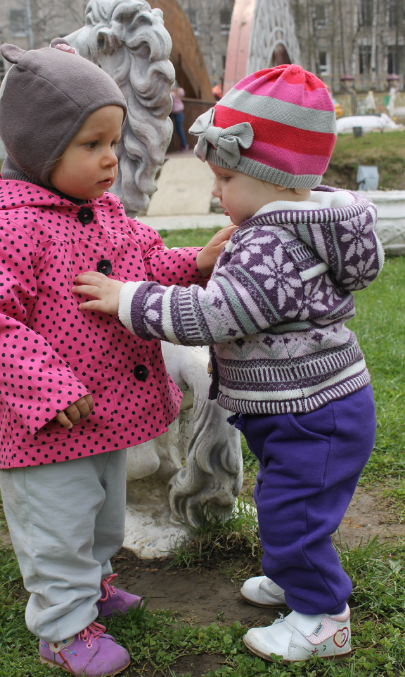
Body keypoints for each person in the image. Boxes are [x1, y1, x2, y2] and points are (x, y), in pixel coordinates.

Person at [73, 64, 384, 665]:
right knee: (286, 504)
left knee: (294, 514)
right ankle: (295, 580)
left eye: (226, 177)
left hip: (312, 414)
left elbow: (214, 315)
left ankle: (323, 618)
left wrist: (128, 298)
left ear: (274, 179)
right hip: (309, 407)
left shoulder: (273, 244)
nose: (217, 193)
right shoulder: (294, 226)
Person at [0, 40, 234, 676]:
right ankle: (62, 625)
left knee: (102, 514)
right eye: (92, 144)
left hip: (108, 411)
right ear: (40, 149)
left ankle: (96, 586)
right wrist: (48, 388)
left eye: (114, 140)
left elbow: (146, 259)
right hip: (50, 424)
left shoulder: (103, 211)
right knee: (57, 524)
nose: (112, 157)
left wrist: (194, 262)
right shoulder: (7, 225)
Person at [171, 82, 188, 150]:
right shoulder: (176, 94)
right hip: (179, 114)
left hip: (178, 114)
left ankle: (184, 144)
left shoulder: (172, 95)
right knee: (179, 130)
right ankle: (184, 144)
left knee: (179, 130)